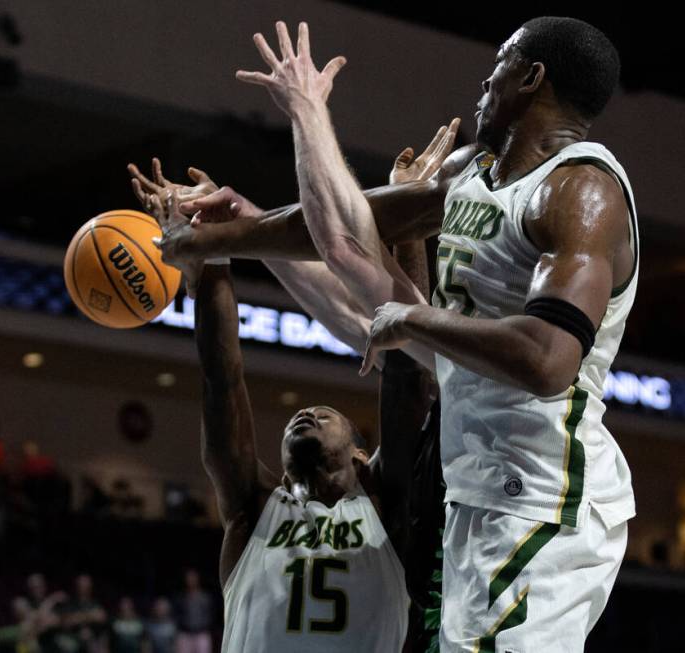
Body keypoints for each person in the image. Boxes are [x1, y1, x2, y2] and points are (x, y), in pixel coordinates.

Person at [159, 17, 638, 650]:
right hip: (480, 489)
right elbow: (344, 234)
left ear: (531, 77)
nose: (485, 80)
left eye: (500, 61)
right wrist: (214, 238)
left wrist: (414, 318)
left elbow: (548, 360)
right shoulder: (473, 173)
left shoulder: (581, 193)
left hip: (546, 493)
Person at [173, 571, 211, 653]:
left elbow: (210, 613)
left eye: (193, 578)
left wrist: (204, 624)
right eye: (189, 578)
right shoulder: (181, 597)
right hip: (185, 633)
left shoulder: (204, 597)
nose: (191, 580)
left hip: (201, 632)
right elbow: (176, 614)